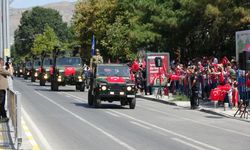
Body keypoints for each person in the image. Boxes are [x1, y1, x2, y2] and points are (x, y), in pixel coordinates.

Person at [0, 57, 13, 122]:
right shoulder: (0, 68)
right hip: (1, 89)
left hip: (2, 88)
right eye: (2, 61)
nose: (3, 62)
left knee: (1, 103)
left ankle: (2, 116)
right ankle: (4, 117)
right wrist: (10, 66)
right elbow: (9, 73)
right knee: (1, 103)